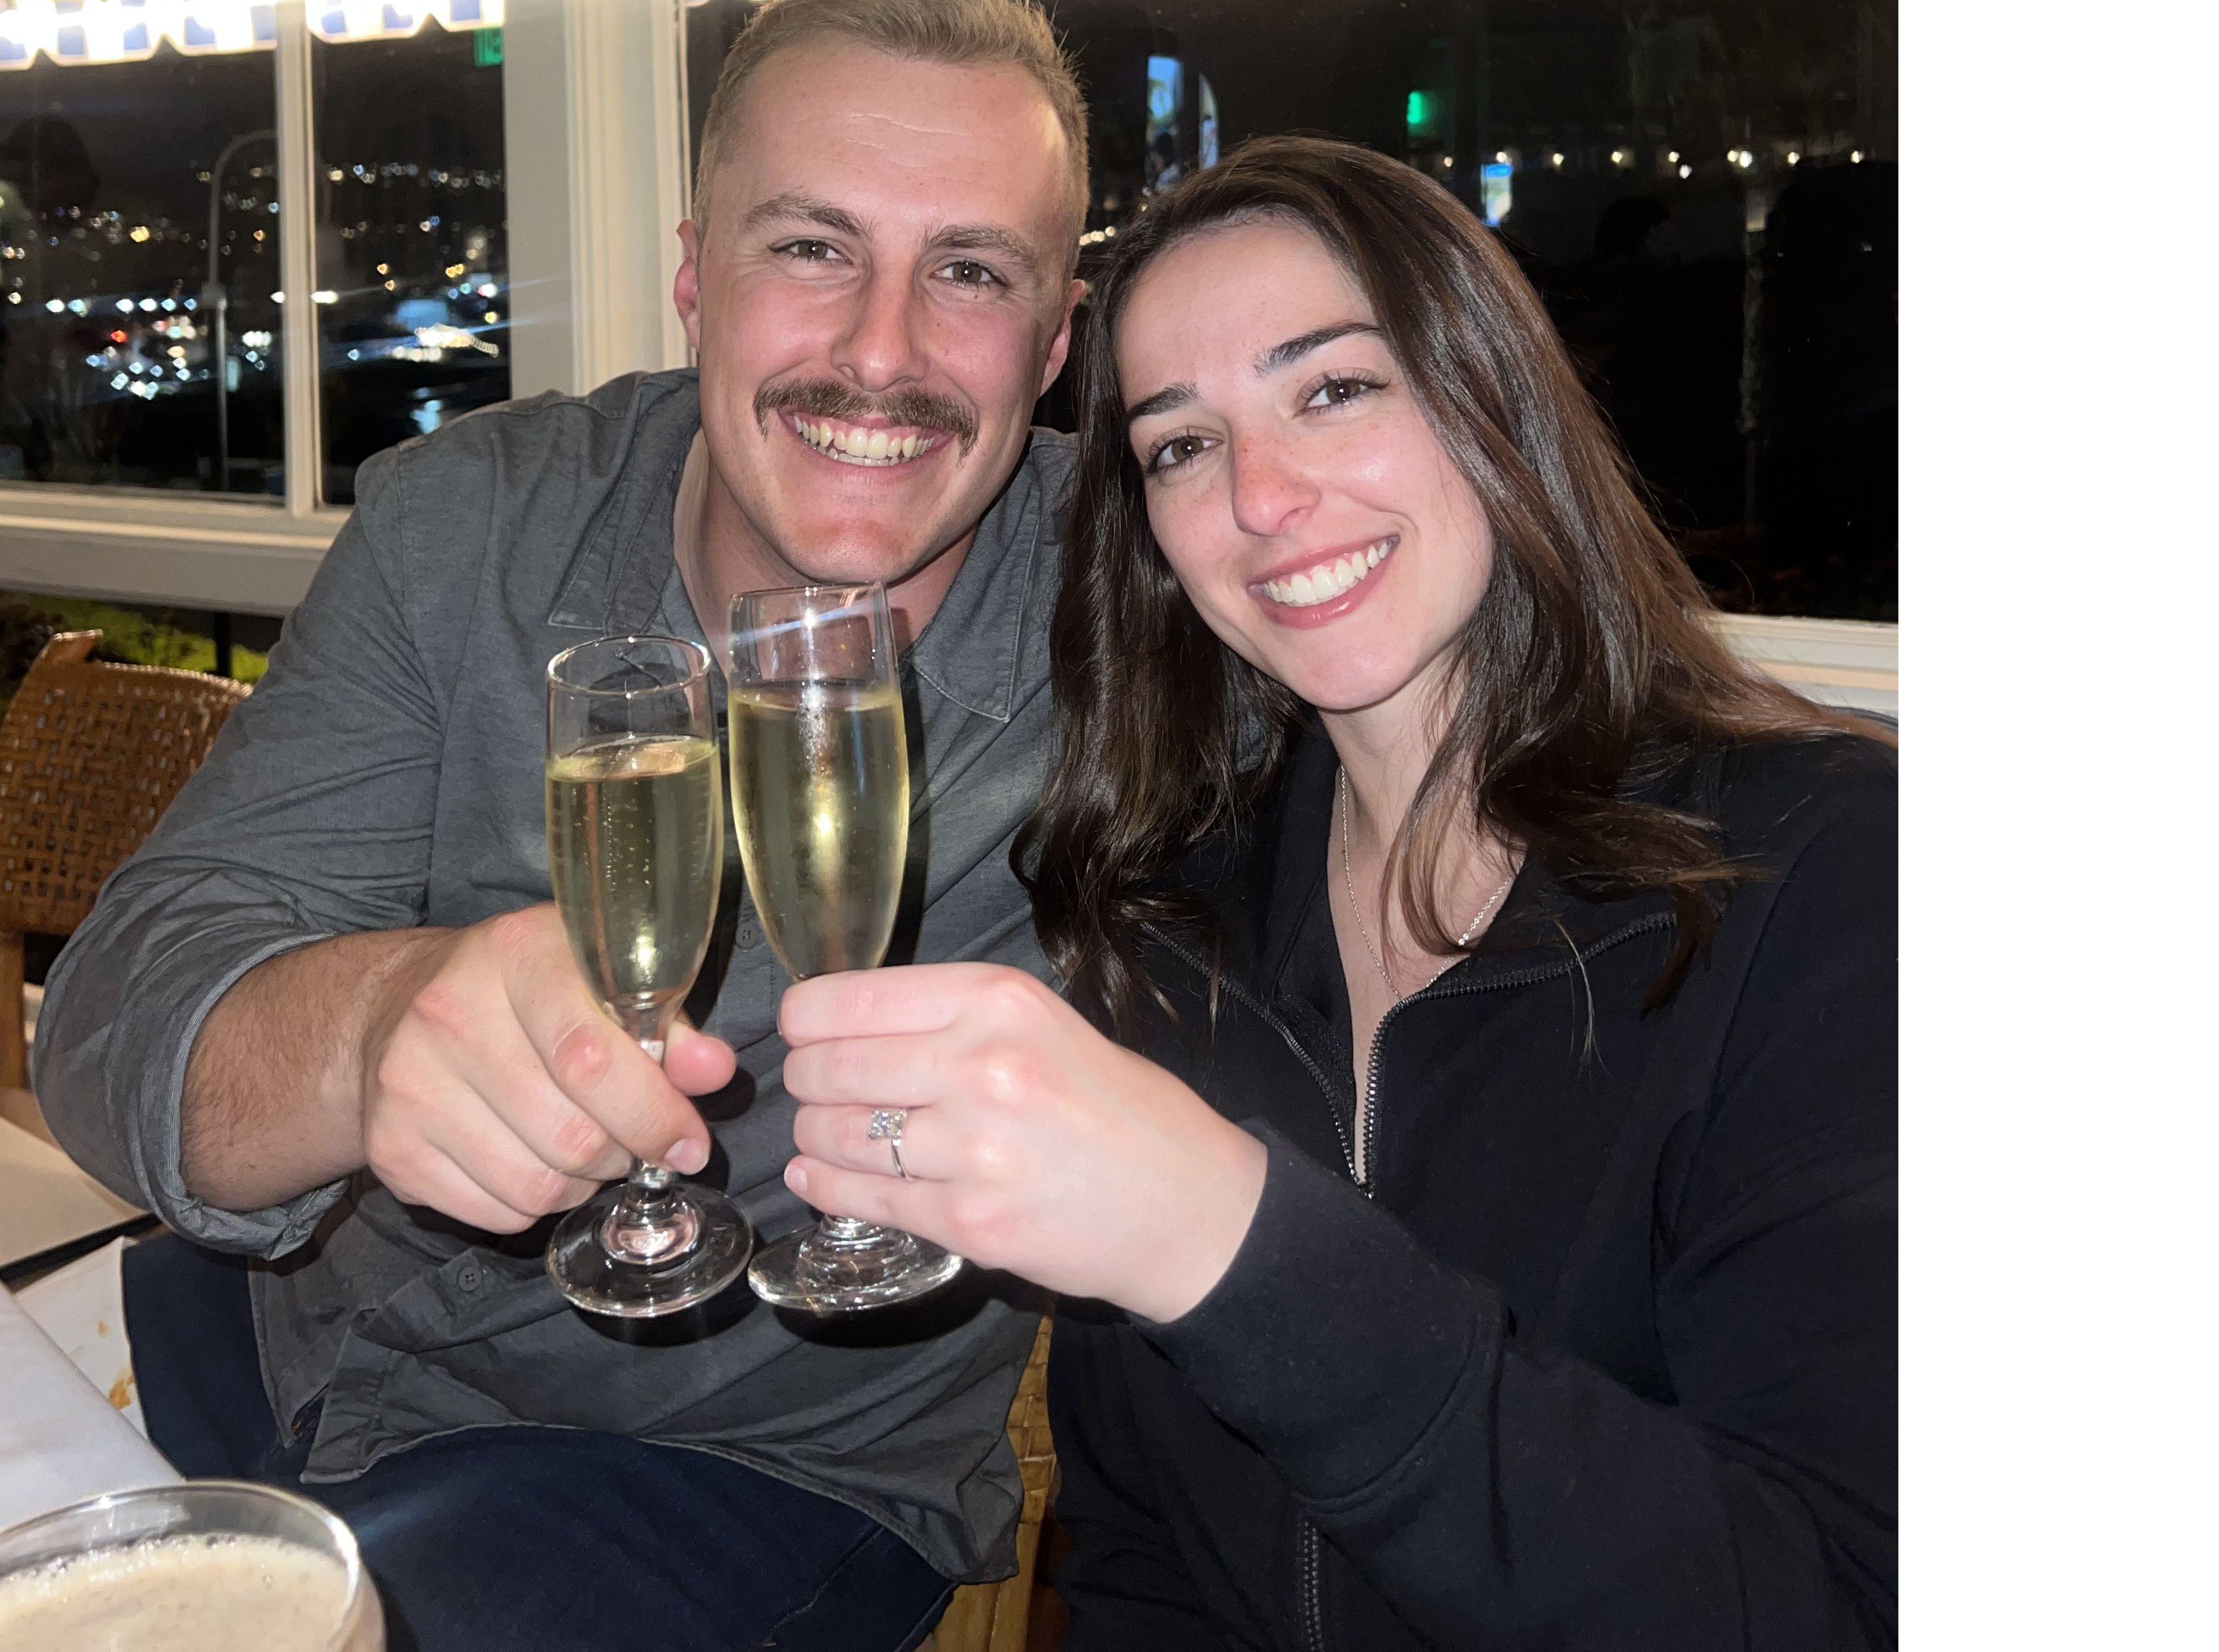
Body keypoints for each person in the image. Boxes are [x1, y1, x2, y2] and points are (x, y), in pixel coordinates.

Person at [31, 0, 1088, 1652]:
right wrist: (372, 1031)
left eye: (970, 271)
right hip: (284, 1338)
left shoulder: (1152, 615)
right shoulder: (472, 527)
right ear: (695, 278)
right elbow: (117, 1010)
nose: (882, 352)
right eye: (810, 248)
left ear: (1055, 340)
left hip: (731, 1465)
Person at [774, 135, 1896, 1648]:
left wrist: (1236, 1246)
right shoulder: (1173, 932)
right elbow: (1136, 1560)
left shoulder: (1829, 878)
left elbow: (1836, 1600)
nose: (1262, 495)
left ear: (1492, 395)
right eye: (1182, 445)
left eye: (1333, 390)